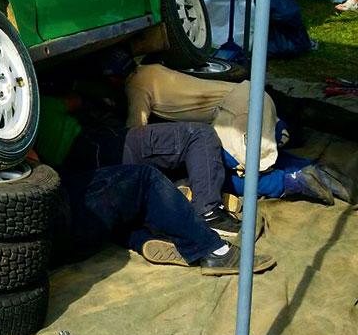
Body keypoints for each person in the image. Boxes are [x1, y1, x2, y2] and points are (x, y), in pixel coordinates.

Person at [32, 98, 275, 275]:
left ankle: (143, 236)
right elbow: (71, 104)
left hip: (65, 229)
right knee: (192, 140)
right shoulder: (34, 103)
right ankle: (211, 234)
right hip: (91, 147)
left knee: (122, 196)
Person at [124, 61, 347, 205]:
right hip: (253, 95)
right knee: (259, 156)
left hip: (235, 114)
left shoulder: (136, 84)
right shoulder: (151, 68)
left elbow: (135, 136)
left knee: (208, 171)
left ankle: (292, 182)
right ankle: (310, 168)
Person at [37, 95, 240, 237]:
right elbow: (75, 101)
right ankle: (209, 212)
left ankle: (183, 194)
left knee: (162, 174)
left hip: (83, 172)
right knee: (198, 135)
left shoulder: (19, 142)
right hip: (98, 144)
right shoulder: (39, 104)